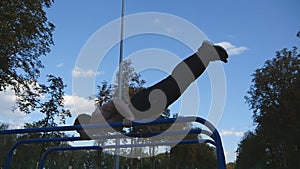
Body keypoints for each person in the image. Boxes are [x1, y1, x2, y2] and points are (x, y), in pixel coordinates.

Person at [74, 41, 229, 139]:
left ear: (84, 125)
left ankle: (205, 54)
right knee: (179, 83)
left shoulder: (97, 118)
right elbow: (128, 121)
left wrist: (130, 118)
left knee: (177, 82)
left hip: (140, 103)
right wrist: (143, 127)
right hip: (144, 109)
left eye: (80, 134)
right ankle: (204, 55)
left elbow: (117, 103)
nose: (82, 138)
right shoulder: (101, 129)